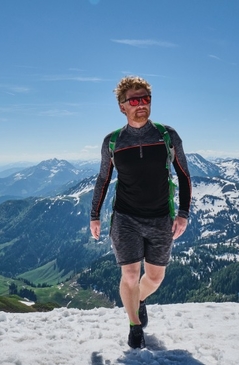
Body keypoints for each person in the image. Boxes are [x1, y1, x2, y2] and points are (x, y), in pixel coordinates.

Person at [89, 76, 192, 349]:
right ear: (122, 107)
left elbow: (183, 174)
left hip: (161, 217)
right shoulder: (113, 142)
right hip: (125, 218)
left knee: (155, 277)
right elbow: (102, 179)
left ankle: (139, 299)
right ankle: (135, 327)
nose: (141, 105)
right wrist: (94, 215)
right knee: (131, 275)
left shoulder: (167, 136)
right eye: (134, 100)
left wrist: (183, 212)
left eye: (146, 98)